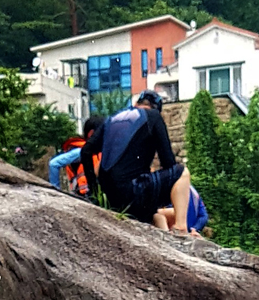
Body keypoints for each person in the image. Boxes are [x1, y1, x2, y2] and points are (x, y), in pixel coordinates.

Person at [81, 90, 191, 231]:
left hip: (110, 196)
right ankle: (181, 227)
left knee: (153, 213)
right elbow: (168, 162)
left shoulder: (113, 118)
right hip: (132, 193)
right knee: (182, 173)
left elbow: (85, 151)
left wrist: (94, 190)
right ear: (156, 108)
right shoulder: (153, 116)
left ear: (136, 103)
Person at [47, 116, 104, 194]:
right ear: (91, 133)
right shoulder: (80, 151)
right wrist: (56, 192)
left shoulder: (102, 149)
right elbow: (54, 163)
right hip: (84, 196)